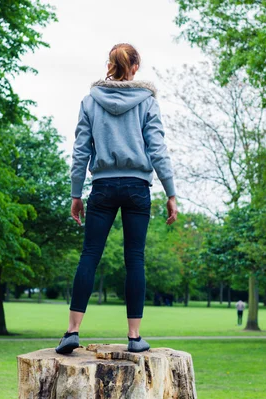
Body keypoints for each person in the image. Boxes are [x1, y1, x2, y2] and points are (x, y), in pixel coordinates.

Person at [56, 43, 178, 355]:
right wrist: (171, 192)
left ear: (110, 64)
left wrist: (75, 194)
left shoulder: (90, 101)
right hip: (138, 187)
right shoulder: (148, 102)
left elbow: (80, 150)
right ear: (135, 66)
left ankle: (72, 331)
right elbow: (158, 149)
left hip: (103, 186)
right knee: (134, 258)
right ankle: (135, 337)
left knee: (90, 256)